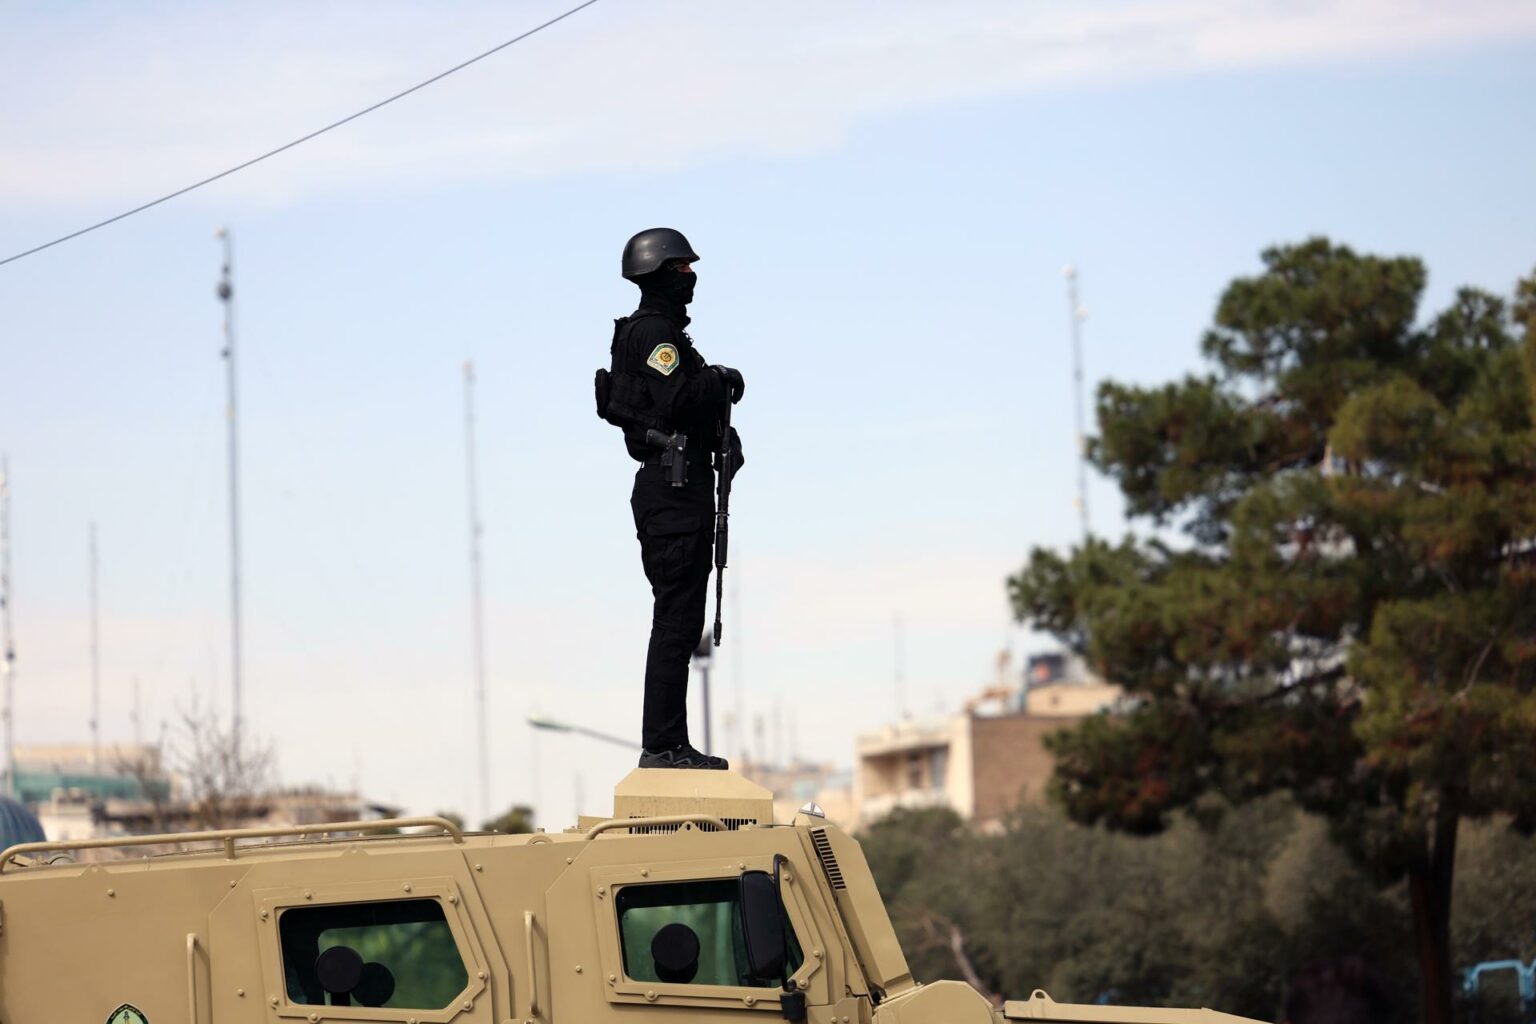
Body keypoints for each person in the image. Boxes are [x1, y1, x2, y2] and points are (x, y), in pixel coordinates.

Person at [597, 228, 744, 769]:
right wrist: (721, 379)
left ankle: (668, 742)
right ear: (658, 274)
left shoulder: (656, 333)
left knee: (679, 621)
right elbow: (678, 398)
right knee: (676, 622)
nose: (690, 276)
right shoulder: (655, 334)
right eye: (681, 268)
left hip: (675, 487)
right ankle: (664, 746)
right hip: (673, 488)